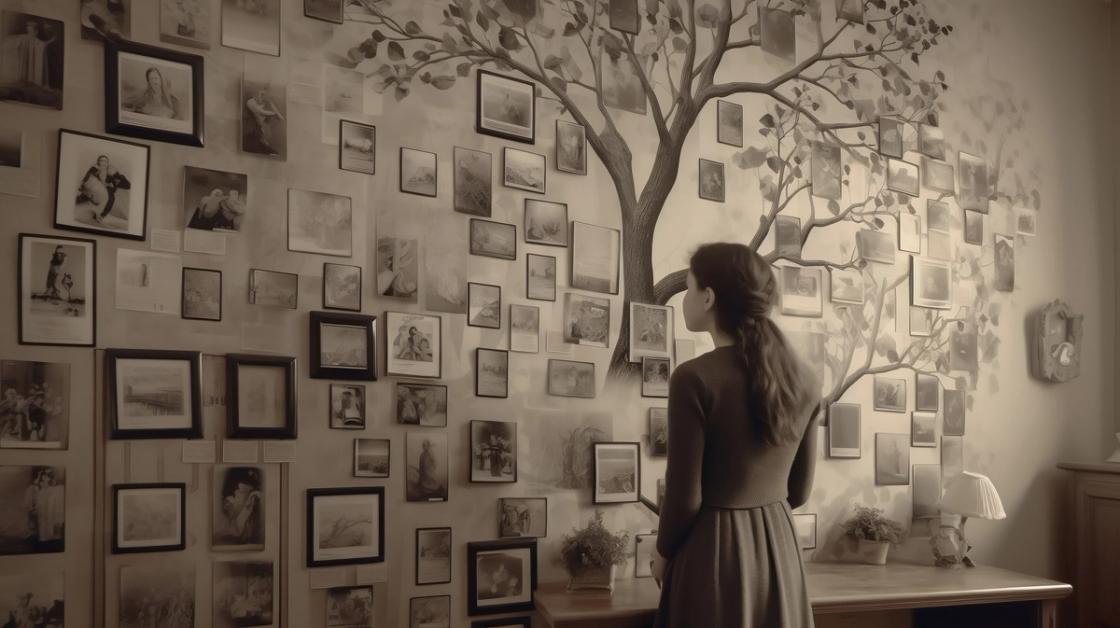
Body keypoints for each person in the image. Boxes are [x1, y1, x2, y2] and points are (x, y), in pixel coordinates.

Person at [652, 242, 820, 628]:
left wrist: (662, 554)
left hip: (713, 557)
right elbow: (798, 492)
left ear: (708, 297)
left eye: (688, 288)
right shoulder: (805, 380)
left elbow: (684, 498)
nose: (685, 298)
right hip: (779, 553)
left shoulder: (693, 378)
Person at [245, 88, 285, 155]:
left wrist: (279, 115)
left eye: (263, 95)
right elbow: (261, 111)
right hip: (256, 126)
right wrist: (274, 114)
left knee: (264, 131)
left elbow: (273, 109)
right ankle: (264, 143)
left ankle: (265, 144)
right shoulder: (250, 102)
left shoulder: (263, 102)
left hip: (260, 125)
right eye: (261, 94)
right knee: (261, 131)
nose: (261, 96)